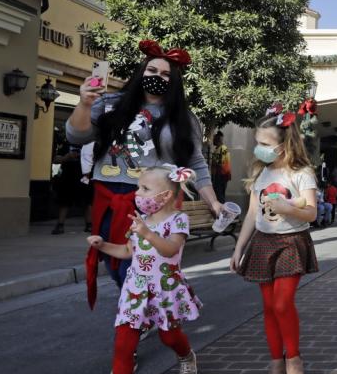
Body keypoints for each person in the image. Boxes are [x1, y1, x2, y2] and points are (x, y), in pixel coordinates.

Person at [67, 40, 222, 310]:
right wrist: (83, 104)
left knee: (135, 262)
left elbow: (196, 162)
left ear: (174, 82)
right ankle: (146, 306)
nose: (157, 78)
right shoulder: (110, 104)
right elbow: (77, 136)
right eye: (152, 71)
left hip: (153, 202)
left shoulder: (184, 119)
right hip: (109, 198)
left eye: (165, 75)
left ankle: (135, 318)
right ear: (141, 72)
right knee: (113, 261)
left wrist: (213, 202)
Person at [87, 166, 201, 374]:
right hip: (136, 290)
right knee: (124, 341)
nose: (137, 193)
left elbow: (171, 248)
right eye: (138, 187)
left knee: (169, 336)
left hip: (164, 289)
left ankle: (186, 356)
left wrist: (148, 234)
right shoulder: (140, 220)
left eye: (144, 189)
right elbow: (128, 250)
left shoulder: (178, 220)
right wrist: (103, 245)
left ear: (164, 196)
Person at [231, 109, 319, 374]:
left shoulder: (301, 173)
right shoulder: (261, 173)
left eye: (266, 144)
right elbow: (252, 213)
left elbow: (311, 213)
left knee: (283, 305)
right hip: (263, 243)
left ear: (285, 144)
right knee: (268, 308)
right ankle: (275, 364)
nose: (261, 149)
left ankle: (294, 361)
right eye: (259, 143)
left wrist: (288, 208)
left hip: (291, 242)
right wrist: (239, 247)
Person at [51, 140, 90, 235]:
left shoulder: (89, 144)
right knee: (64, 201)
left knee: (87, 201)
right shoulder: (66, 144)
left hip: (84, 176)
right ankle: (60, 224)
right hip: (67, 177)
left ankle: (89, 225)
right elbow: (55, 159)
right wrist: (66, 157)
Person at [209, 131, 231, 204]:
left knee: (220, 195)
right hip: (217, 175)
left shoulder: (223, 148)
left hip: (221, 175)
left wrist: (214, 163)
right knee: (217, 194)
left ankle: (222, 212)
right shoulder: (217, 149)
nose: (213, 141)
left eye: (214, 139)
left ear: (218, 140)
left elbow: (220, 163)